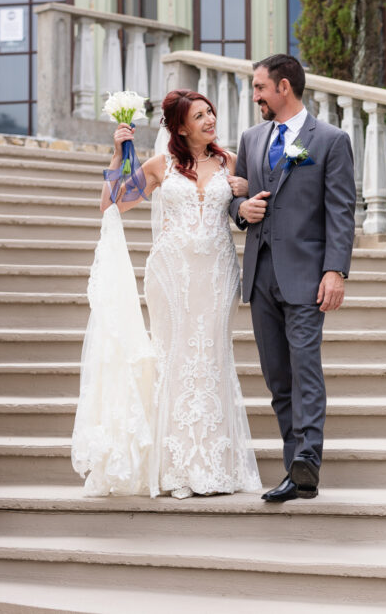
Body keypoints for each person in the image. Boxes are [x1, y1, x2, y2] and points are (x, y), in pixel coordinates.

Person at [77, 89, 262, 499]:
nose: (210, 119)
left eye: (210, 112)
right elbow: (112, 203)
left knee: (211, 355)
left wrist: (243, 189)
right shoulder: (162, 165)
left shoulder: (230, 161)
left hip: (216, 273)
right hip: (170, 276)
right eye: (200, 116)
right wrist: (117, 155)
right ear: (180, 127)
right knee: (174, 356)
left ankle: (213, 463)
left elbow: (246, 205)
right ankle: (173, 464)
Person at [228, 54, 355, 502]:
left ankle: (305, 463)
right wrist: (240, 211)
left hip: (305, 275)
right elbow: (234, 195)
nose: (256, 95)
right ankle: (295, 464)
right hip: (260, 274)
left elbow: (341, 212)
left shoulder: (332, 140)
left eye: (260, 87)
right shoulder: (251, 138)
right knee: (277, 375)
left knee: (305, 368)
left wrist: (335, 270)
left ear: (284, 87)